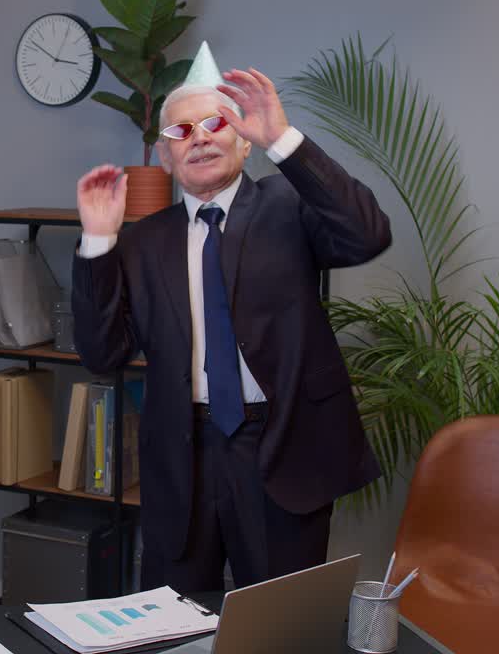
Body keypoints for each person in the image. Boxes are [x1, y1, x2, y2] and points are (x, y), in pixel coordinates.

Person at [71, 42, 391, 593]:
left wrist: (285, 143)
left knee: (278, 624)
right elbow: (104, 353)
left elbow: (368, 234)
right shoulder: (144, 243)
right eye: (180, 132)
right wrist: (99, 242)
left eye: (215, 123)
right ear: (167, 159)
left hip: (282, 445)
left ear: (244, 139)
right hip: (182, 454)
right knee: (170, 625)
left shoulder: (289, 208)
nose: (198, 137)